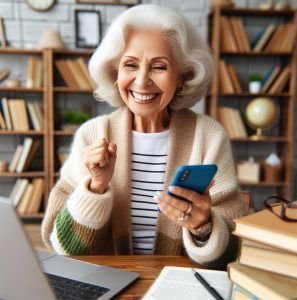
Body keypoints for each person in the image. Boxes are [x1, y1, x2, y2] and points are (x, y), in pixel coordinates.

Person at [42, 4, 247, 269]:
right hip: (108, 285)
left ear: (182, 76)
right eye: (130, 65)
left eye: (158, 67)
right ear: (115, 74)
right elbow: (62, 247)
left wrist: (203, 225)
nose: (141, 81)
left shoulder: (208, 137)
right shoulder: (92, 135)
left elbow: (233, 250)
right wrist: (95, 188)